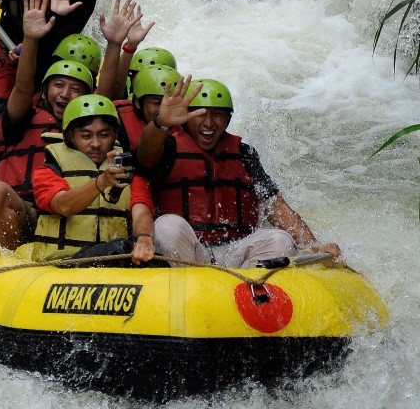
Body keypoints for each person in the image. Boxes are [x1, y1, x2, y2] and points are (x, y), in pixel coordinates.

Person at [132, 76, 342, 269]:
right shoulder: (167, 147)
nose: (208, 123)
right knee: (167, 227)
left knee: (281, 240)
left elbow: (275, 206)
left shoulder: (245, 154)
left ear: (228, 119)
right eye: (201, 114)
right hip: (191, 250)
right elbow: (144, 157)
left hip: (236, 251)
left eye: (217, 115)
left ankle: (247, 289)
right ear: (186, 118)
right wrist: (160, 123)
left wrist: (313, 245)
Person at [0, 0, 93, 249]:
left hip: (73, 213)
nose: (65, 94)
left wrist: (119, 46)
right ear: (46, 90)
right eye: (58, 85)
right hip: (25, 209)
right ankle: (4, 268)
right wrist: (30, 39)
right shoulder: (25, 116)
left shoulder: (94, 128)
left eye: (75, 89)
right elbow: (22, 87)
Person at [31, 95, 154, 265]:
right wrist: (102, 181)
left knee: (147, 259)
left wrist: (144, 238)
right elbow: (63, 205)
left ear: (115, 135)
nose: (96, 143)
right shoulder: (49, 169)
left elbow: (141, 209)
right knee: (120, 248)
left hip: (113, 255)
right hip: (63, 261)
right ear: (71, 136)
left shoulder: (128, 170)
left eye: (104, 135)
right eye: (86, 136)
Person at [115, 63, 181, 153]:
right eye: (157, 103)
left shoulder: (187, 122)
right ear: (138, 103)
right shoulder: (117, 116)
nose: (165, 109)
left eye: (171, 103)